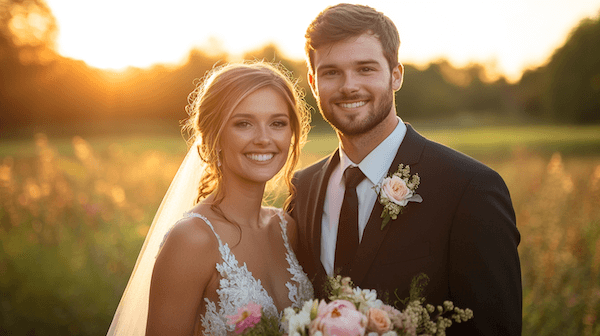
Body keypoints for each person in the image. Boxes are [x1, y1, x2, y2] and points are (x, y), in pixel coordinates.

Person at [289, 4, 522, 335]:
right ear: (313, 82)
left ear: (396, 75)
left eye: (366, 69)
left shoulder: (470, 189)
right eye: (331, 72)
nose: (348, 86)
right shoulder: (304, 188)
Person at [107, 62, 313, 336]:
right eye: (244, 123)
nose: (264, 138)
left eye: (277, 123)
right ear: (213, 136)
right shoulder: (192, 239)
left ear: (291, 134)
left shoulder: (286, 227)